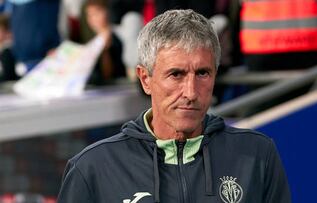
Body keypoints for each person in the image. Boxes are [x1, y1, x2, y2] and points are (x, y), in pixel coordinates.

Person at [57, 9, 291, 203]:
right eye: (176, 74)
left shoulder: (258, 155)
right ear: (145, 79)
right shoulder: (91, 169)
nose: (190, 93)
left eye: (202, 73)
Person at [83, 0, 126, 85]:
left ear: (107, 12)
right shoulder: (92, 42)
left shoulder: (118, 37)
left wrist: (105, 52)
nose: (92, 19)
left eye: (96, 13)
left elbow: (108, 75)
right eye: (89, 15)